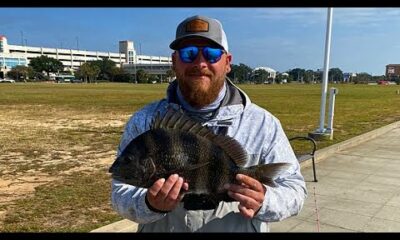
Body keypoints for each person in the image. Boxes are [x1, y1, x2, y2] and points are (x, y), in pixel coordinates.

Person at [111, 15, 307, 232]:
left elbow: (295, 192)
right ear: (174, 61)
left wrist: (264, 200)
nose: (200, 63)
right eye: (189, 53)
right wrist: (149, 203)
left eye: (212, 54)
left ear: (227, 63)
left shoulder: (262, 124)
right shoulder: (145, 121)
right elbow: (120, 194)